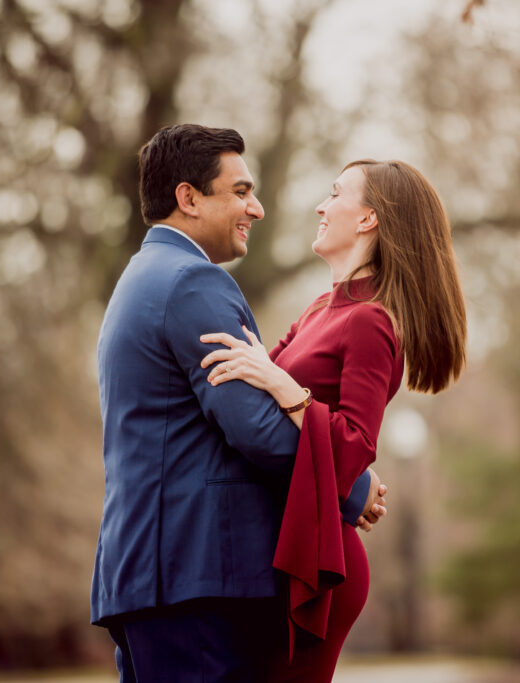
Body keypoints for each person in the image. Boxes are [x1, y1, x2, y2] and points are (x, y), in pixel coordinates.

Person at [91, 124, 386, 683]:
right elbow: (254, 429)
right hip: (192, 581)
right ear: (189, 197)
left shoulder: (141, 277)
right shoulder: (192, 283)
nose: (258, 208)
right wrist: (354, 489)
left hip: (147, 576)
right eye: (241, 192)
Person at [198, 158, 468, 681]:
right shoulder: (322, 307)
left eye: (336, 194)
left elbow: (351, 447)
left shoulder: (371, 322)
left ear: (368, 218)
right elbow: (255, 400)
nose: (322, 206)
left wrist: (283, 386)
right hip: (283, 541)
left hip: (322, 561)